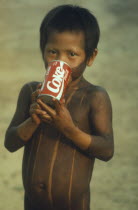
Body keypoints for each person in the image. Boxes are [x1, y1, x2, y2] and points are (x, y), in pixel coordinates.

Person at [5, 4, 114, 210]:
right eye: (52, 51)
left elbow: (107, 150)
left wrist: (69, 129)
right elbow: (10, 143)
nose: (60, 60)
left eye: (72, 54)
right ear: (42, 49)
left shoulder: (94, 97)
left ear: (90, 57)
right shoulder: (30, 92)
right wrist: (32, 121)